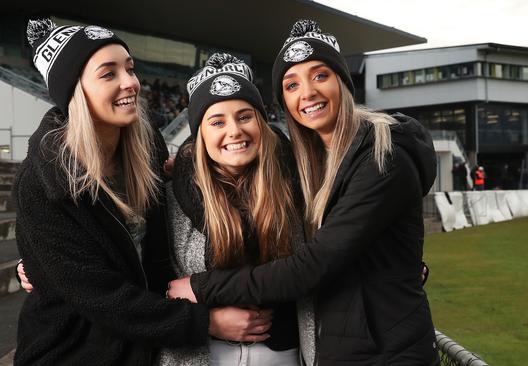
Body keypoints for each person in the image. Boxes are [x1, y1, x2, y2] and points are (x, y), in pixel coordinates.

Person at [168, 20, 440, 365]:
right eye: (291, 84)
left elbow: (310, 267)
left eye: (320, 75)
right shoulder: (311, 163)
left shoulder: (382, 156)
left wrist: (202, 287)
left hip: (387, 350)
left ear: (343, 81)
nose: (307, 92)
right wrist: (188, 161)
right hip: (344, 345)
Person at [12, 19, 221, 365]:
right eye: (108, 74)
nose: (131, 83)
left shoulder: (146, 143)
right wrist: (207, 322)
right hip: (72, 350)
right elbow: (99, 295)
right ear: (76, 90)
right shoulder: (42, 180)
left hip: (144, 342)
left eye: (130, 69)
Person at [157, 53, 315, 365]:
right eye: (217, 121)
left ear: (262, 123)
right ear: (200, 133)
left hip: (284, 354)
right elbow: (146, 283)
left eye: (245, 116)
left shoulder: (297, 189)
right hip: (197, 354)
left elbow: (326, 260)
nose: (234, 131)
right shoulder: (169, 198)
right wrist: (207, 319)